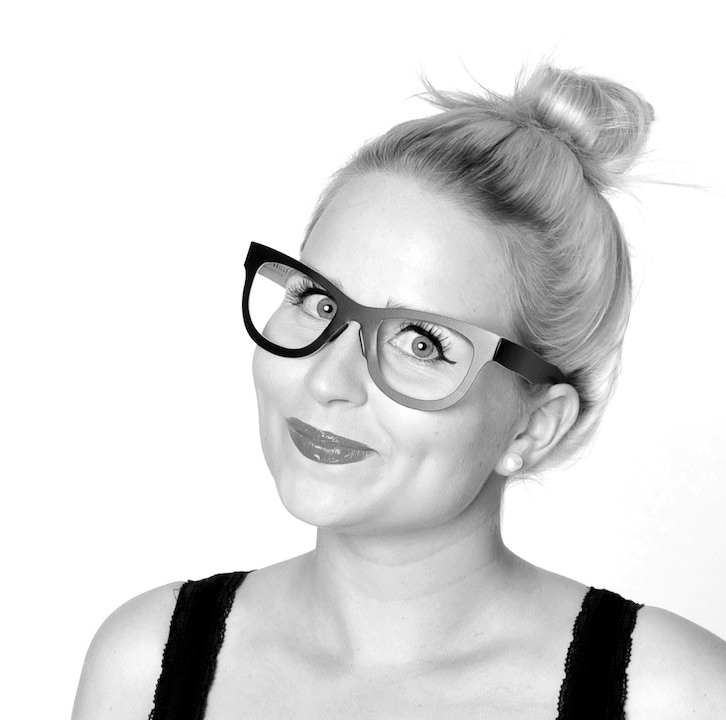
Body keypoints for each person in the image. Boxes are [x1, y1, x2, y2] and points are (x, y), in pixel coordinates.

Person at [71, 63, 726, 719]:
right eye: (317, 302)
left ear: (533, 425)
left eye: (421, 343)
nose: (326, 379)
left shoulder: (674, 696)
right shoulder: (144, 665)